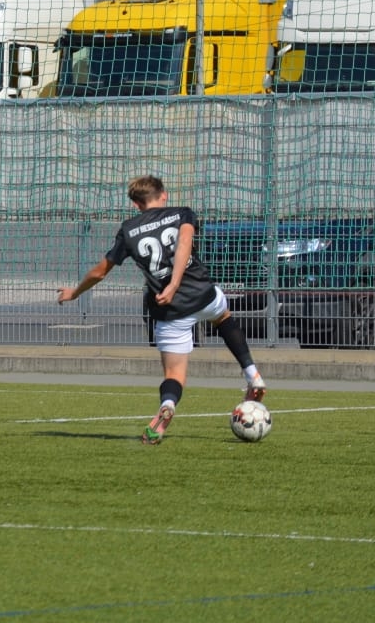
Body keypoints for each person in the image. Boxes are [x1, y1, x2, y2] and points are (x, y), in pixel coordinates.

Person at [56, 174, 267, 444]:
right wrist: (177, 280)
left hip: (171, 310)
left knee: (174, 375)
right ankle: (252, 374)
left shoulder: (129, 230)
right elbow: (184, 242)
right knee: (223, 316)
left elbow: (100, 272)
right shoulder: (182, 213)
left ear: (135, 204)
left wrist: (75, 292)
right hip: (203, 295)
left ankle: (168, 405)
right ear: (163, 194)